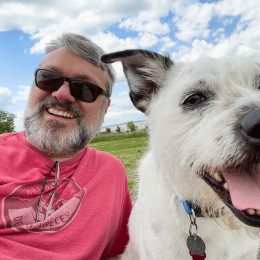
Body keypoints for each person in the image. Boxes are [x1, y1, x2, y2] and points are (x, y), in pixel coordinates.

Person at [0, 33, 132, 260]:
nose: (61, 94)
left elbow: (115, 253)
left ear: (106, 108)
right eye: (49, 79)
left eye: (85, 89)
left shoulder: (112, 172)